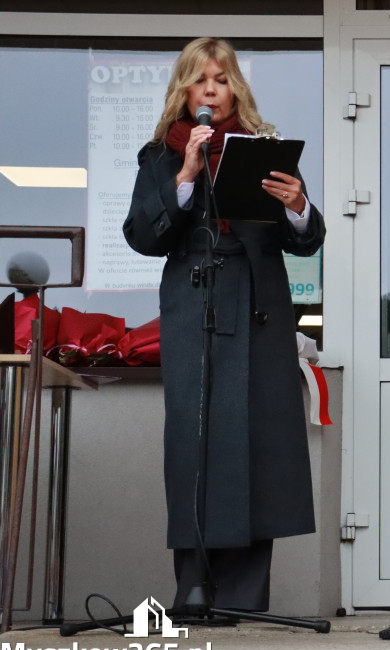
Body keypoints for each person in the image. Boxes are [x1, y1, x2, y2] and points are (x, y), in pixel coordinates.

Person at [123, 37, 325, 612]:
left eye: (221, 78)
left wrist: (298, 205)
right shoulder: (159, 155)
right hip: (195, 304)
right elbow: (142, 237)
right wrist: (185, 179)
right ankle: (193, 587)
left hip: (259, 308)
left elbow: (305, 240)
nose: (211, 89)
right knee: (196, 442)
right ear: (184, 90)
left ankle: (243, 596)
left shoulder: (263, 149)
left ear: (235, 86)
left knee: (257, 443)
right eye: (199, 79)